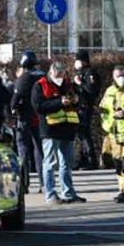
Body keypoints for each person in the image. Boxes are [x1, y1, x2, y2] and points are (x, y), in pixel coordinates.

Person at [33, 60, 85, 205]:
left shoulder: (68, 84)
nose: (60, 77)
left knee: (66, 163)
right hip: (50, 130)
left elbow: (77, 102)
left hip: (67, 128)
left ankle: (68, 193)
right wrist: (60, 102)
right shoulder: (40, 85)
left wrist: (75, 100)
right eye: (57, 74)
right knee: (50, 163)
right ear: (51, 72)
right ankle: (50, 194)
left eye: (62, 74)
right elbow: (38, 106)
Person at [100, 65, 124, 202]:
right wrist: (106, 124)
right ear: (113, 77)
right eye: (118, 76)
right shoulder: (109, 91)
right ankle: (122, 189)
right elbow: (103, 109)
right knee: (117, 163)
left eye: (123, 75)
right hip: (114, 133)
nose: (121, 78)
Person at [11, 51, 45, 193]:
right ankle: (44, 183)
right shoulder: (43, 76)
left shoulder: (23, 78)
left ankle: (24, 184)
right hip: (40, 117)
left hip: (24, 117)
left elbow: (15, 99)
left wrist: (13, 110)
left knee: (23, 150)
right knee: (40, 150)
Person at [72, 50, 102, 170]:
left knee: (84, 133)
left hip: (86, 107)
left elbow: (91, 90)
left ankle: (91, 160)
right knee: (81, 133)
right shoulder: (81, 73)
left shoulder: (90, 73)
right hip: (79, 106)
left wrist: (80, 83)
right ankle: (83, 158)